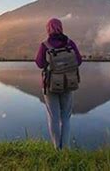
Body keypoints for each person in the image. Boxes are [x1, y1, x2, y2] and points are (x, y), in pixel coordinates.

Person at [35, 18, 82, 149]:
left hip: (50, 85)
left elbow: (39, 63)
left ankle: (57, 149)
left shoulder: (45, 45)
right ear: (61, 27)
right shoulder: (69, 43)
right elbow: (78, 60)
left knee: (53, 117)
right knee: (66, 117)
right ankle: (65, 148)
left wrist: (52, 64)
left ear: (48, 29)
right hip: (68, 83)